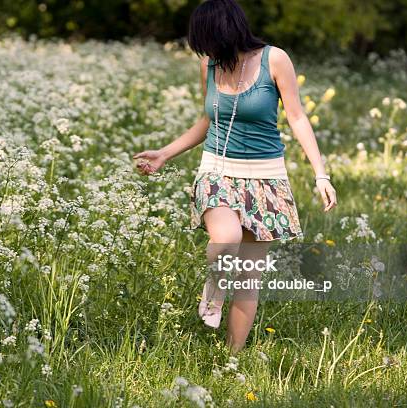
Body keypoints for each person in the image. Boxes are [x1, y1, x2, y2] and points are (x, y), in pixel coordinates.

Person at [133, 0, 337, 353]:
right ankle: (213, 289)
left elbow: (297, 117)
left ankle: (232, 359)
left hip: (267, 177)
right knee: (225, 239)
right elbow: (207, 119)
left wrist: (321, 174)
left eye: (209, 41)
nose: (207, 51)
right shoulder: (208, 65)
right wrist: (165, 153)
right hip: (217, 169)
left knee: (247, 278)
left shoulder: (275, 59)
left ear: (227, 33)